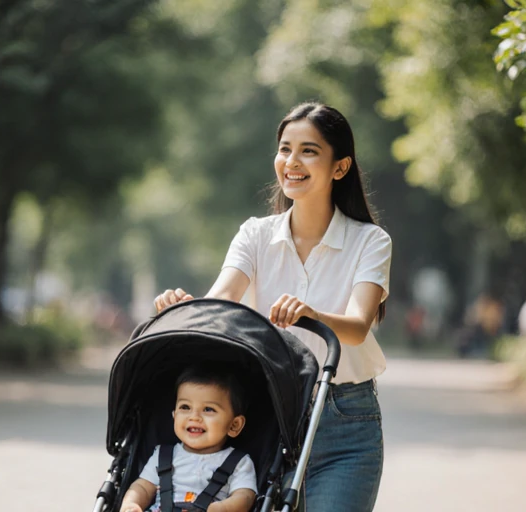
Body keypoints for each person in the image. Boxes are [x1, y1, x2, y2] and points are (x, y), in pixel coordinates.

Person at [154, 102, 392, 511]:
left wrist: (312, 313)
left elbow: (356, 326)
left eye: (309, 151)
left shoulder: (370, 241)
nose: (291, 162)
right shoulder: (255, 235)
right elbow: (222, 299)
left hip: (344, 422)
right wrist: (181, 306)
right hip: (271, 415)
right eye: (285, 149)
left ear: (340, 167)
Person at [119, 366, 257, 512]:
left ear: (234, 425)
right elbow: (143, 487)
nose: (194, 417)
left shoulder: (239, 463)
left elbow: (245, 496)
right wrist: (131, 504)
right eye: (185, 407)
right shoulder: (162, 455)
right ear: (174, 416)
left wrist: (224, 508)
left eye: (208, 409)